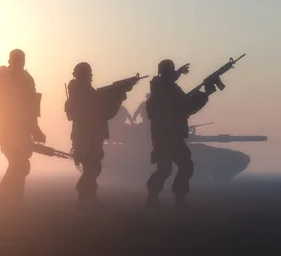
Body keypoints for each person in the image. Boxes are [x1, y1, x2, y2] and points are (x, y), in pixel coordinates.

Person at [0, 49, 46, 208]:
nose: (19, 64)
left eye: (21, 61)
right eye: (17, 61)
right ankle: (4, 195)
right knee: (17, 164)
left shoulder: (27, 80)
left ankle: (16, 200)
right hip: (6, 130)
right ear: (11, 61)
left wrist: (35, 129)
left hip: (23, 131)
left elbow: (32, 108)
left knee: (22, 164)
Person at [145, 59, 211, 209]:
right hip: (164, 137)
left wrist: (204, 94)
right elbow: (179, 105)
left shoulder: (168, 88)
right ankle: (153, 199)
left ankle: (178, 199)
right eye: (170, 71)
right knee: (165, 169)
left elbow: (185, 107)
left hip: (173, 136)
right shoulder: (160, 88)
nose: (172, 74)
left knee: (185, 166)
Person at [64, 62, 132, 210]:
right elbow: (100, 109)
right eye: (88, 75)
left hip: (90, 133)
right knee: (92, 166)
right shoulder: (81, 92)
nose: (90, 78)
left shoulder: (83, 91)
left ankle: (89, 198)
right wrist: (118, 93)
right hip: (85, 134)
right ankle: (83, 195)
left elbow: (101, 110)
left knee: (93, 166)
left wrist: (118, 91)